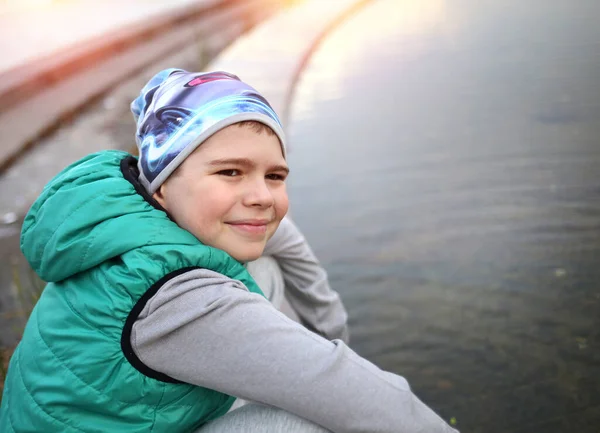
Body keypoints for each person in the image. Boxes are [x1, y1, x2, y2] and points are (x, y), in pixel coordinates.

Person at [0, 69, 458, 433]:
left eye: (274, 176)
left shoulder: (130, 222)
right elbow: (363, 397)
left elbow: (282, 236)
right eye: (231, 172)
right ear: (162, 186)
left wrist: (330, 330)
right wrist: (333, 357)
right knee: (306, 422)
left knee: (266, 266)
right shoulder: (180, 301)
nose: (261, 195)